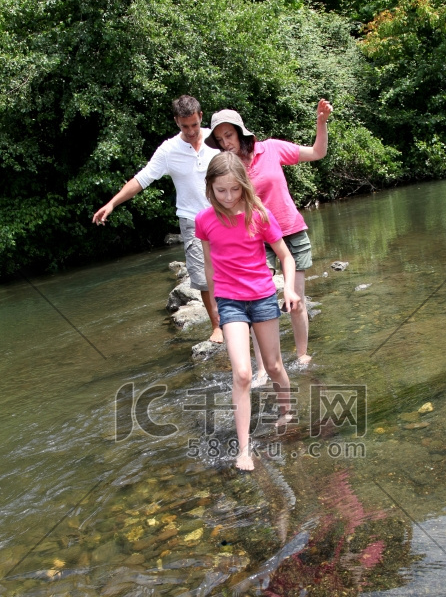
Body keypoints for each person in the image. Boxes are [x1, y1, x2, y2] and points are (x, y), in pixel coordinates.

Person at [205, 99, 333, 370]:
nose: (226, 142)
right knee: (256, 306)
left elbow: (317, 152)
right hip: (255, 240)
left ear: (241, 132)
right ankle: (263, 368)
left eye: (229, 135)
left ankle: (301, 355)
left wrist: (321, 123)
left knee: (296, 301)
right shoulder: (228, 169)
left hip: (291, 231)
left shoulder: (271, 149)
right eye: (220, 138)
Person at [195, 153, 300, 471]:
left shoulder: (259, 214)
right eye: (220, 191)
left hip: (263, 297)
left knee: (273, 365)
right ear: (210, 188)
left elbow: (286, 256)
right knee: (242, 373)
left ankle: (286, 413)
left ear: (243, 186)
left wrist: (290, 288)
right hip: (230, 302)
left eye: (234, 190)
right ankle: (244, 450)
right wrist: (215, 312)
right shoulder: (204, 220)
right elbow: (211, 269)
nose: (227, 197)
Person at [93, 95, 223, 342]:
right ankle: (217, 326)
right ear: (176, 122)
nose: (191, 131)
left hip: (224, 216)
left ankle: (239, 316)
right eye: (185, 126)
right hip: (192, 220)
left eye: (194, 125)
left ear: (201, 117)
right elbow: (141, 180)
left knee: (231, 268)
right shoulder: (168, 150)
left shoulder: (216, 139)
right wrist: (112, 203)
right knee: (203, 278)